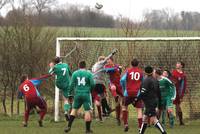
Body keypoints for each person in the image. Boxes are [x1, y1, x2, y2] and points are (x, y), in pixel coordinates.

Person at [64, 61, 95, 134]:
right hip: (86, 94)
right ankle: (87, 130)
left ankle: (69, 126)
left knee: (74, 110)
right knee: (87, 111)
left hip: (77, 94)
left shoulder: (75, 73)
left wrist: (69, 94)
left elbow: (71, 84)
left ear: (79, 66)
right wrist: (90, 90)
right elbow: (93, 84)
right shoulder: (89, 73)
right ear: (85, 66)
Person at [136, 66, 167, 134]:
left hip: (149, 103)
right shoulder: (155, 80)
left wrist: (136, 99)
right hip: (153, 101)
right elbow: (159, 93)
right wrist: (159, 104)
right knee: (145, 118)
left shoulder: (146, 80)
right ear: (152, 71)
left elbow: (143, 93)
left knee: (154, 119)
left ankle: (164, 132)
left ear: (145, 72)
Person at [120, 59, 143, 132]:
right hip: (137, 93)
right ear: (138, 64)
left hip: (128, 92)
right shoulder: (140, 72)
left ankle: (126, 124)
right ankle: (140, 128)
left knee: (124, 107)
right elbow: (143, 82)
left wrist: (124, 88)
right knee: (139, 110)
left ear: (131, 64)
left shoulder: (128, 71)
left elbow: (122, 80)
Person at [92, 54, 116, 121]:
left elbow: (104, 71)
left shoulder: (94, 66)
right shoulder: (100, 64)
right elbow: (107, 69)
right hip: (99, 83)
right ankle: (107, 110)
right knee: (103, 97)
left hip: (94, 83)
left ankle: (105, 111)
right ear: (101, 61)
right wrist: (115, 68)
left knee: (102, 97)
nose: (105, 63)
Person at [49, 57, 72, 121]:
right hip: (67, 83)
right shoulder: (66, 65)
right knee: (66, 99)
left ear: (55, 62)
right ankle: (66, 112)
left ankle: (66, 108)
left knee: (65, 97)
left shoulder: (56, 67)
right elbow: (70, 74)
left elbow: (50, 73)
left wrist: (51, 67)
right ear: (60, 60)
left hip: (59, 84)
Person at [104, 57, 123, 125]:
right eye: (107, 62)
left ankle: (120, 116)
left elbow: (119, 72)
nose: (108, 63)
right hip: (112, 83)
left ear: (112, 61)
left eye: (109, 61)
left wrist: (119, 68)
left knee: (121, 102)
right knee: (113, 88)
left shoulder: (117, 66)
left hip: (119, 85)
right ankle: (116, 96)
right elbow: (107, 70)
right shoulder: (107, 66)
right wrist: (116, 68)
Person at [172, 61, 188, 125]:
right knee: (168, 105)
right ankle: (168, 120)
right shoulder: (173, 72)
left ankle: (181, 121)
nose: (177, 64)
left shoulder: (183, 75)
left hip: (178, 93)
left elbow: (184, 86)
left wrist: (181, 96)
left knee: (178, 106)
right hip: (172, 91)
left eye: (178, 63)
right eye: (177, 63)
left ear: (181, 66)